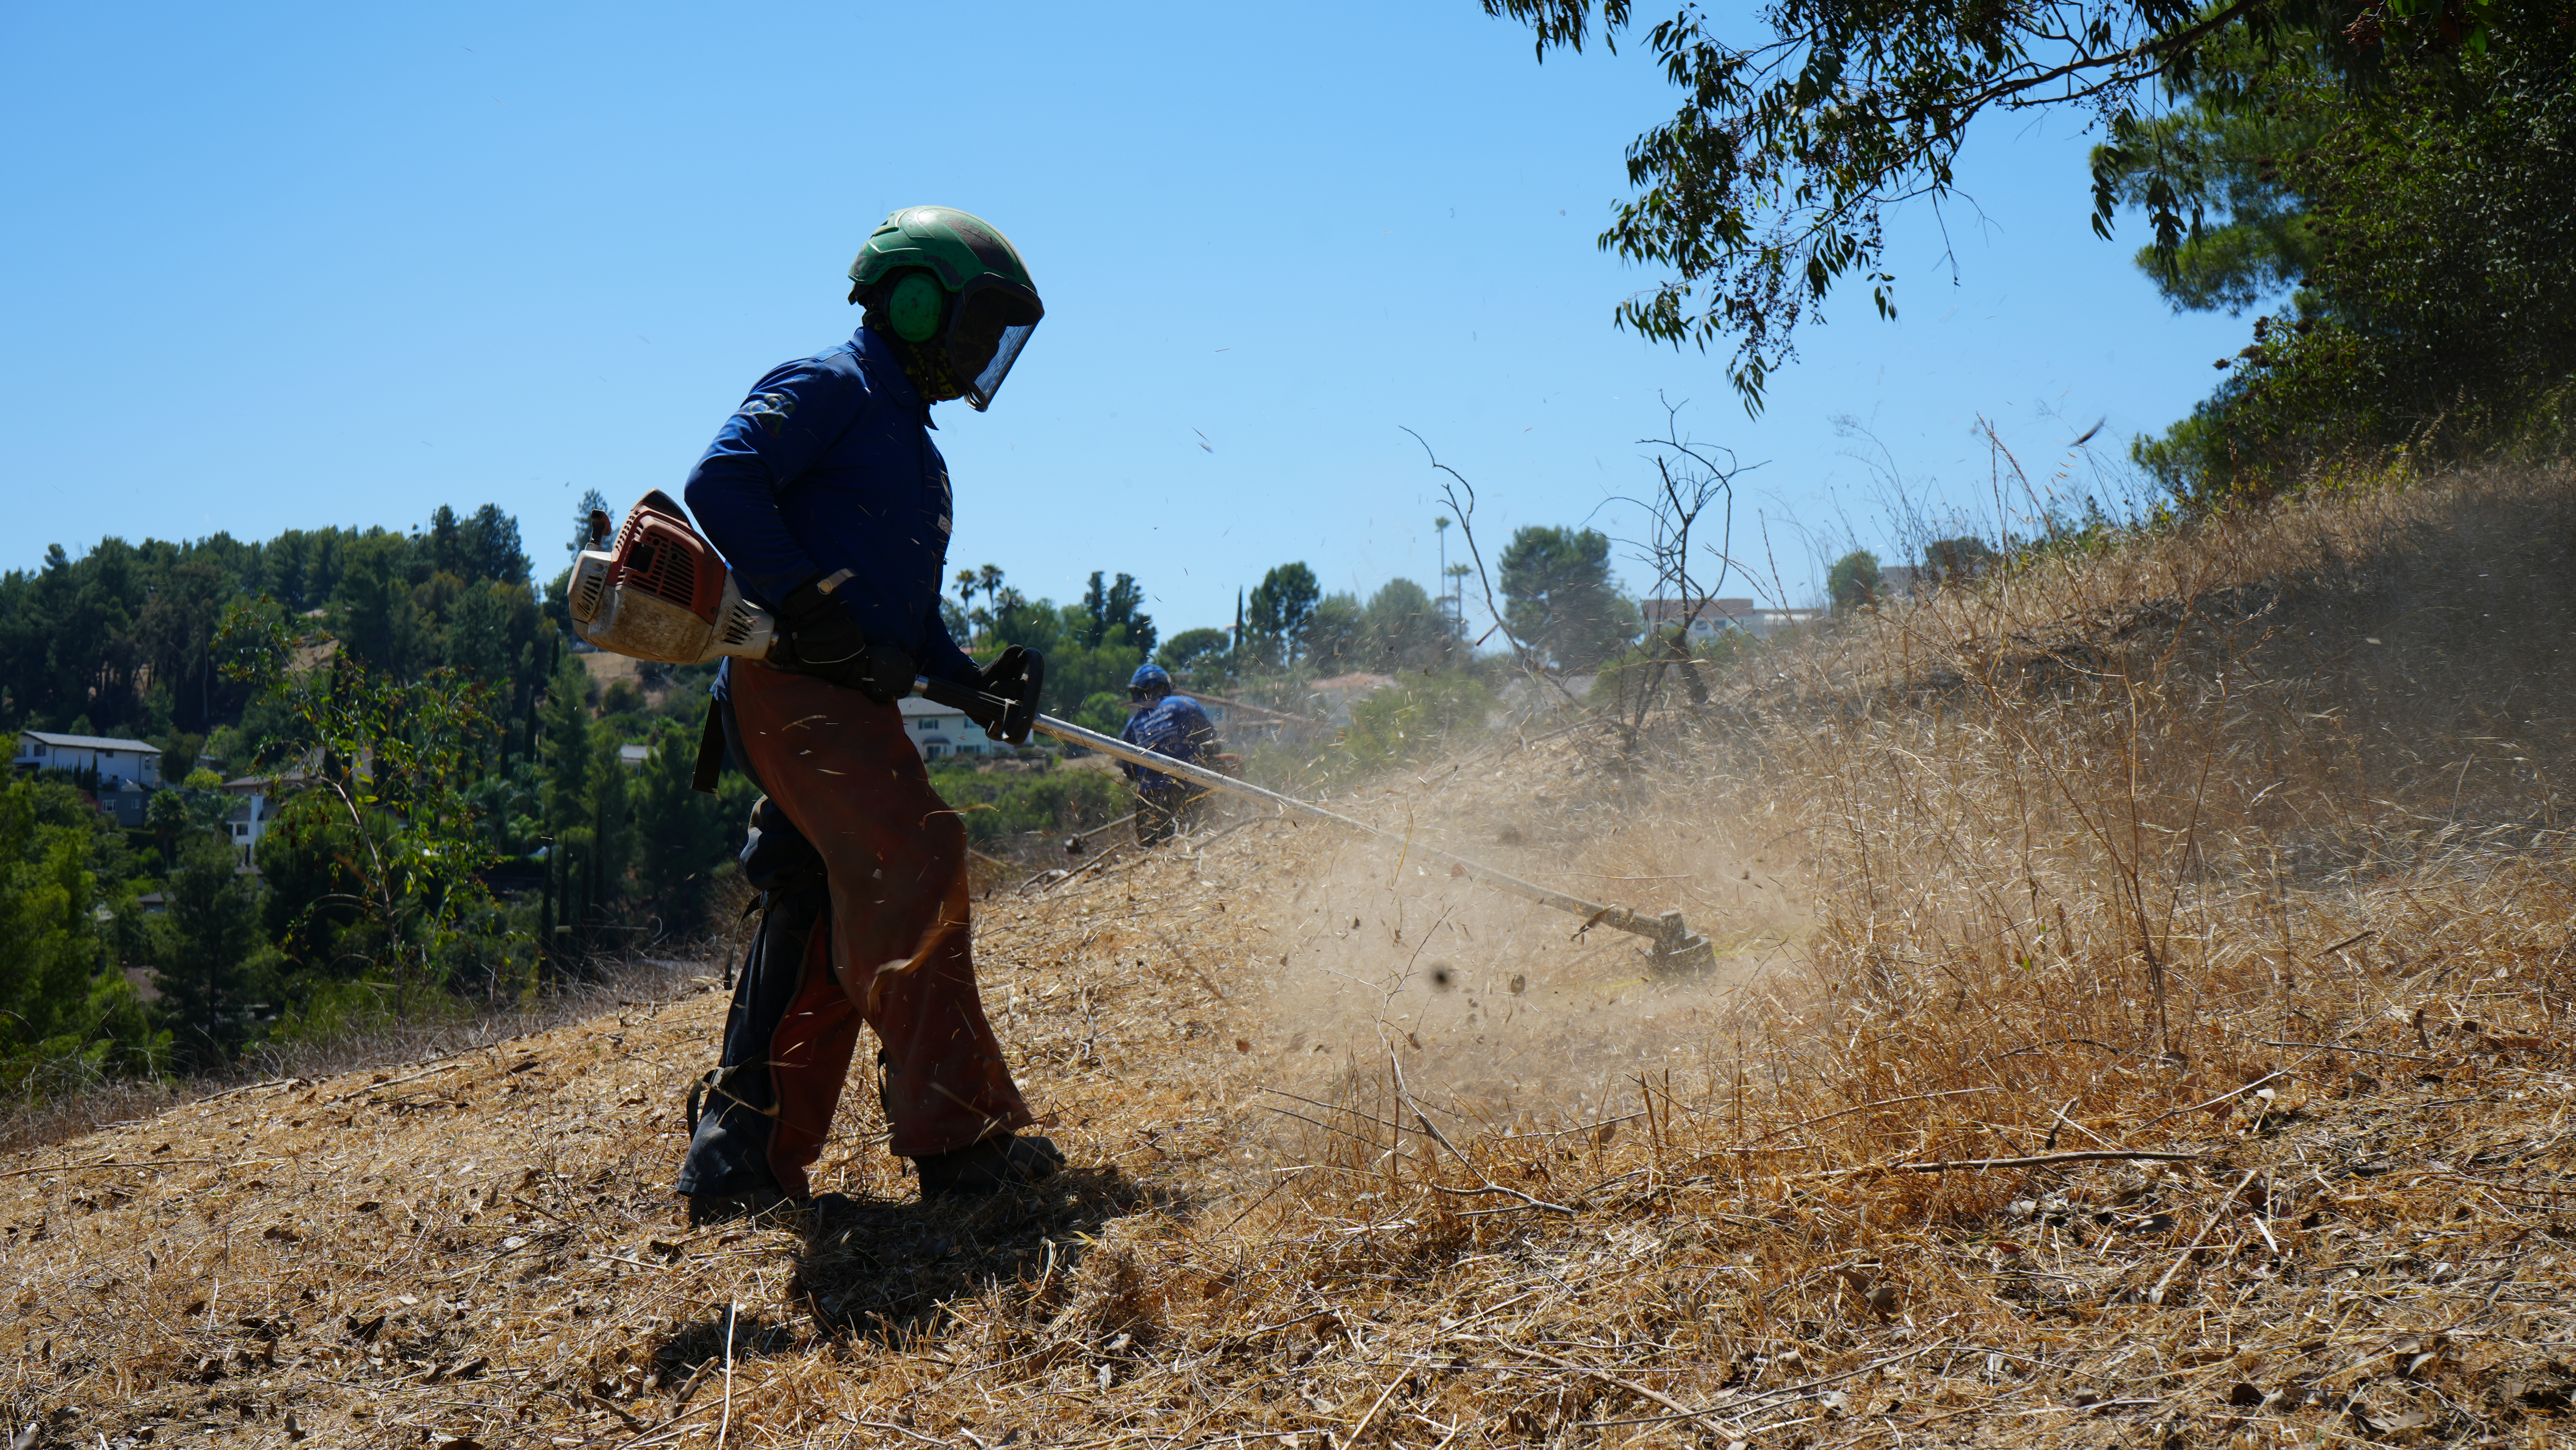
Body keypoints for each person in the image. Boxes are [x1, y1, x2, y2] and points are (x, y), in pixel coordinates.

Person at [671, 206, 1058, 1226]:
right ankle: (961, 1139)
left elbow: (905, 629)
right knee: (913, 855)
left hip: (845, 694)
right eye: (975, 324)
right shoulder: (830, 386)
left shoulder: (920, 458)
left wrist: (972, 684)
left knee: (823, 912)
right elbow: (722, 478)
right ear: (916, 297)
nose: (982, 353)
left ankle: (742, 1162)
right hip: (794, 685)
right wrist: (806, 606)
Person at [1118, 663, 1222, 847]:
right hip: (1190, 783)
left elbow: (1129, 772)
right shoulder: (1185, 703)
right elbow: (1212, 740)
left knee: (1154, 852)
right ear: (1166, 686)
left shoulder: (1131, 727)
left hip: (1151, 796)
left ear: (1137, 693)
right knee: (1206, 840)